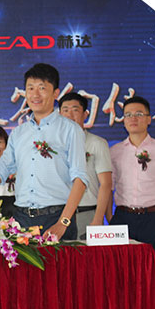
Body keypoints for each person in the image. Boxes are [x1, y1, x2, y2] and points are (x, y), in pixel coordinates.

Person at [0, 63, 88, 241]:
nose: (35, 94)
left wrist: (63, 222)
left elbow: (80, 179)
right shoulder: (18, 133)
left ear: (56, 93)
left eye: (42, 88)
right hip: (21, 220)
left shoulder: (70, 130)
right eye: (30, 88)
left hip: (56, 218)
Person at [107, 95, 155, 309]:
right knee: (121, 275)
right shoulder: (115, 151)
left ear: (149, 119)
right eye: (128, 114)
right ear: (123, 120)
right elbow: (109, 187)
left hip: (153, 218)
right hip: (122, 218)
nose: (133, 118)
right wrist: (110, 218)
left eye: (139, 114)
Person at [59, 92, 112, 238]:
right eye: (65, 110)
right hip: (58, 215)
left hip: (87, 213)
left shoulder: (97, 143)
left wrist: (98, 218)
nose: (70, 115)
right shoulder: (52, 145)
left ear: (85, 114)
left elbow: (106, 184)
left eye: (75, 110)